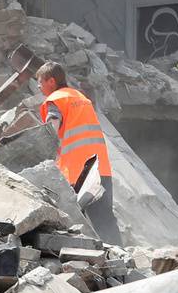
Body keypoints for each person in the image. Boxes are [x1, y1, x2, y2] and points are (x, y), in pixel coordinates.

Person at [35, 62, 122, 243]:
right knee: (104, 219)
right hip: (101, 169)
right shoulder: (81, 98)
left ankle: (76, 259)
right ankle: (120, 260)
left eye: (40, 81)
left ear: (51, 81)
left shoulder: (56, 99)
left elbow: (52, 127)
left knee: (70, 221)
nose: (38, 86)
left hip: (76, 172)